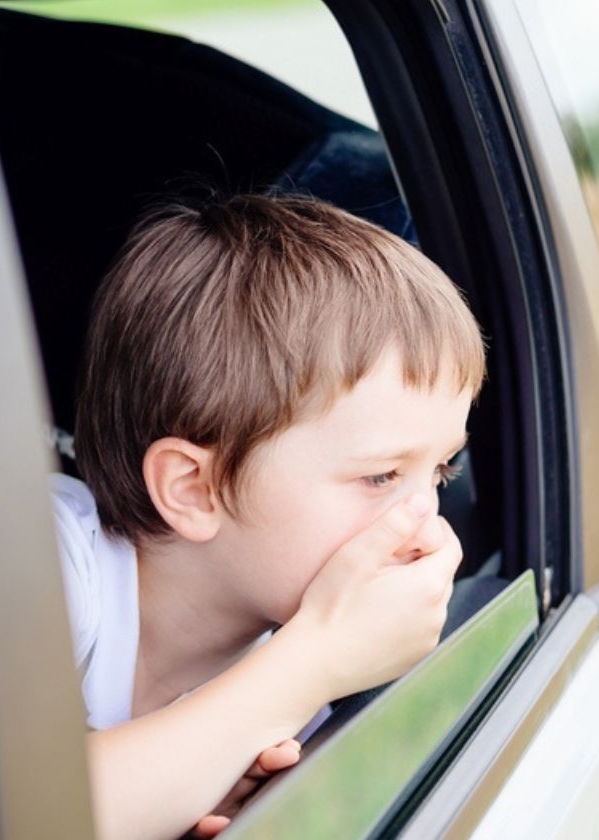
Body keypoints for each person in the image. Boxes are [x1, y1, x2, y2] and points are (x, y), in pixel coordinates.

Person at [53, 192, 485, 840]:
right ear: (196, 489)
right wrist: (317, 658)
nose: (430, 528)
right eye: (380, 477)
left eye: (442, 473)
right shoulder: (45, 567)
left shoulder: (294, 699)